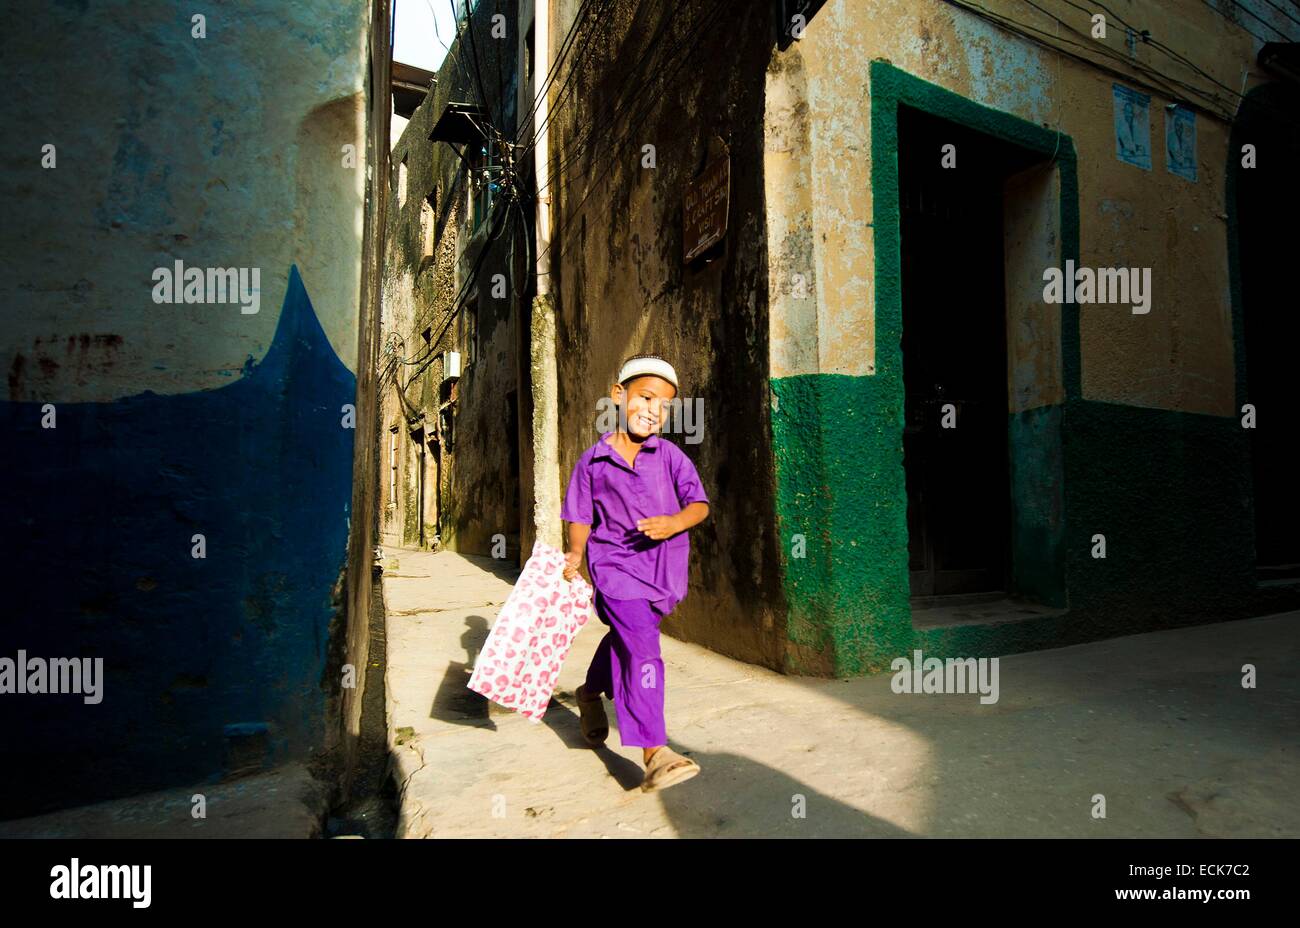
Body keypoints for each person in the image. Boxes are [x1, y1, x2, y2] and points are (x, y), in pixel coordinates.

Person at [560, 354, 710, 792]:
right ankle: (654, 752)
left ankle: (589, 693)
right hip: (614, 570)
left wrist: (674, 522)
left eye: (664, 405)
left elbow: (699, 505)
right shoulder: (593, 461)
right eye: (646, 397)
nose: (653, 410)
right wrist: (574, 554)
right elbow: (580, 515)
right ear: (619, 396)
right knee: (644, 649)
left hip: (662, 574)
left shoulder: (672, 458)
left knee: (627, 639)